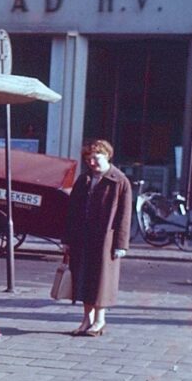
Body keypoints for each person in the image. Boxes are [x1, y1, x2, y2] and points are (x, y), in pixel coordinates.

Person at [61, 139, 131, 337]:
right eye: (88, 158)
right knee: (83, 278)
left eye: (96, 157)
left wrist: (121, 244)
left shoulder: (119, 181)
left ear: (107, 155)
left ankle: (100, 321)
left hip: (105, 241)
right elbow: (72, 212)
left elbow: (124, 216)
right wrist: (66, 239)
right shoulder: (83, 180)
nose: (91, 162)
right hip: (82, 238)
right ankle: (87, 320)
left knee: (101, 281)